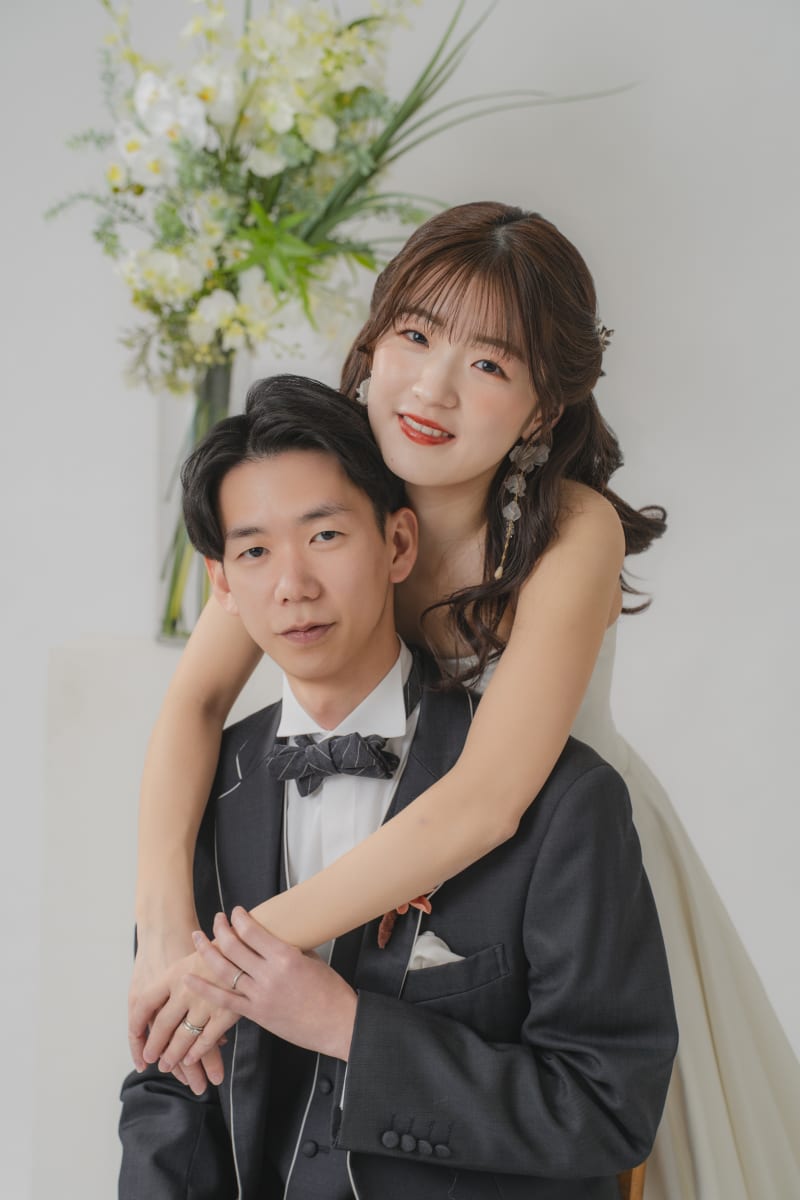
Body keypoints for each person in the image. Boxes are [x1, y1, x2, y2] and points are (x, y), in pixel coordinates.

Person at [130, 203, 800, 1199]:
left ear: (540, 410)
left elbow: (486, 801)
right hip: (373, 879)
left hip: (551, 878)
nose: (433, 388)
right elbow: (192, 706)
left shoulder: (568, 531)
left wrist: (238, 956)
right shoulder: (321, 500)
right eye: (414, 336)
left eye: (487, 363)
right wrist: (164, 934)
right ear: (372, 341)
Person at [118, 374, 677, 1199]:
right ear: (223, 585)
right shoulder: (205, 792)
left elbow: (606, 1111)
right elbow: (168, 1090)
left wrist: (348, 1028)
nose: (293, 585)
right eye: (255, 552)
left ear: (399, 545)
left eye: (326, 536)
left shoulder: (565, 803)